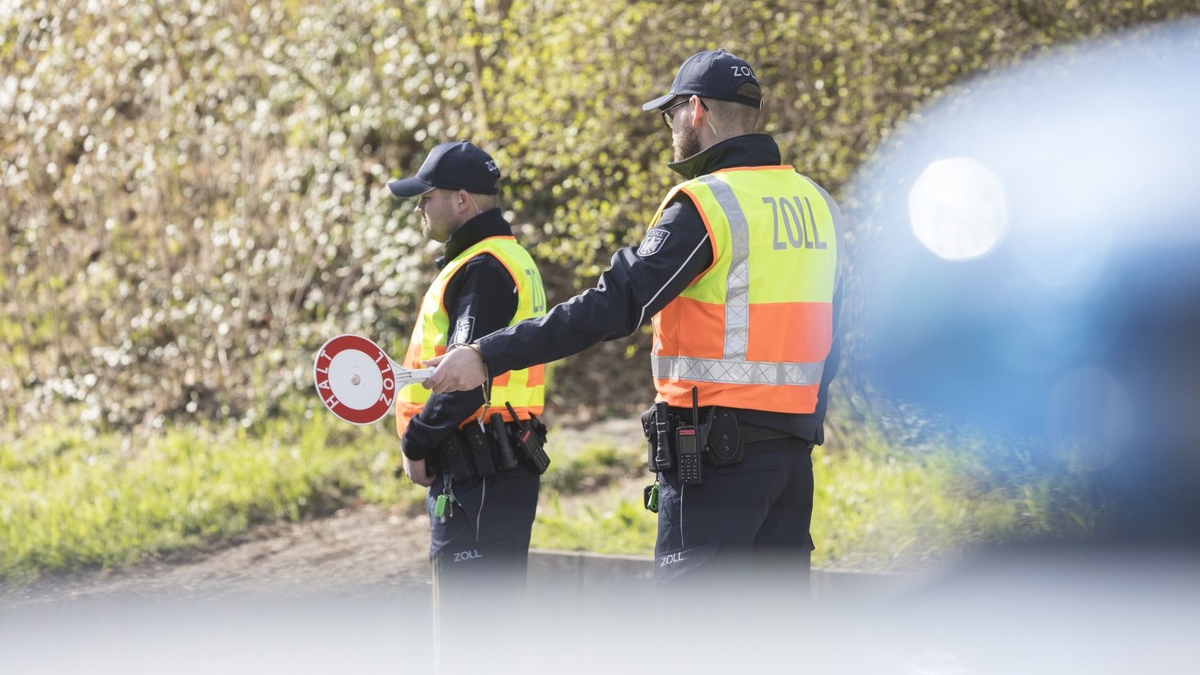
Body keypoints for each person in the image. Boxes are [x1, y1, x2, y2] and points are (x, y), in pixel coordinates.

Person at [424, 50, 844, 596]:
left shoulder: (709, 203)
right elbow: (834, 336)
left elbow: (613, 304)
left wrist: (486, 354)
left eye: (669, 116)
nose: (669, 130)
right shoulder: (819, 204)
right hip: (790, 465)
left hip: (717, 468)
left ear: (696, 111)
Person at [386, 140, 550, 616]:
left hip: (477, 472)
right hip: (495, 465)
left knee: (467, 636)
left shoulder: (484, 269)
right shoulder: (503, 258)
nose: (419, 206)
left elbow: (465, 378)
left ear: (461, 201)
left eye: (426, 195)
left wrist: (417, 441)